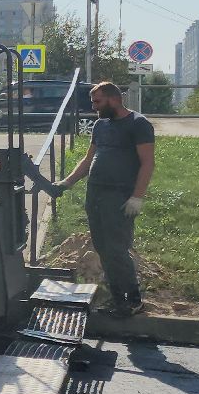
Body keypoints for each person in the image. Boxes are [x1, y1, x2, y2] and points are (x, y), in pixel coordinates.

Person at [52, 81, 155, 316]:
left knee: (117, 249)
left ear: (113, 99)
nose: (94, 106)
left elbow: (148, 163)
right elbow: (88, 160)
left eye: (97, 102)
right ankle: (118, 299)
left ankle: (134, 300)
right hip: (95, 193)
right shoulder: (100, 125)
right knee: (102, 247)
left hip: (119, 196)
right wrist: (67, 182)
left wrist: (137, 197)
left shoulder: (138, 124)